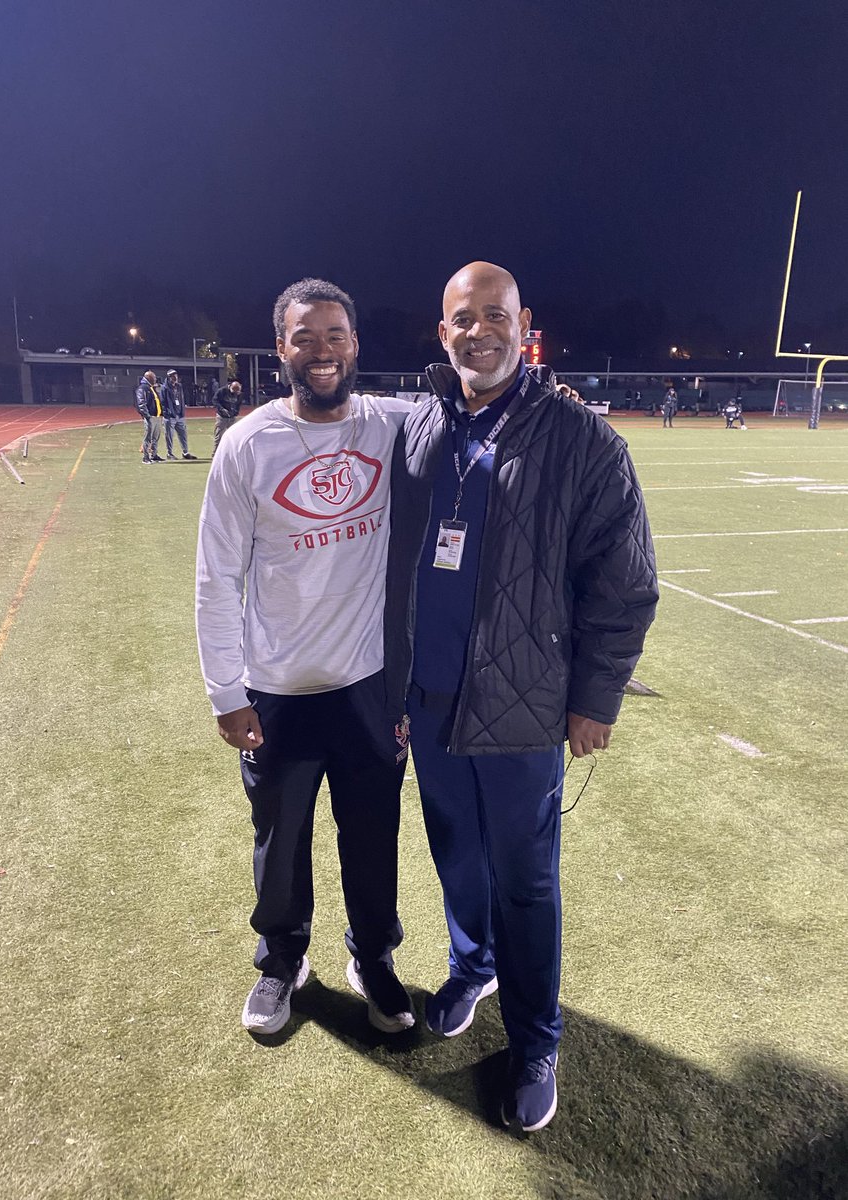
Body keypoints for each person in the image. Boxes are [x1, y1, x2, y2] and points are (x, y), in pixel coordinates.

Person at [383, 262, 658, 1132]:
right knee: (454, 855)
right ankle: (474, 963)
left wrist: (597, 699)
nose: (479, 331)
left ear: (523, 323)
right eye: (463, 317)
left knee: (528, 883)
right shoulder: (420, 423)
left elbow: (625, 585)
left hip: (523, 704)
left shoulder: (583, 440)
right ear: (443, 331)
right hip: (426, 701)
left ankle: (537, 1039)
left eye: (495, 315)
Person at [195, 277, 416, 1038]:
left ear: (355, 344)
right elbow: (216, 576)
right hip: (279, 690)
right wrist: (227, 690)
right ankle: (283, 961)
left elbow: (481, 421)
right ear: (281, 348)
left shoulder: (394, 426)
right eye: (304, 338)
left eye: (334, 336)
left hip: (368, 688)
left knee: (373, 837)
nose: (321, 352)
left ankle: (374, 958)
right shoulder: (248, 444)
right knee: (280, 841)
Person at [160, 370, 197, 460]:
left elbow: (181, 399)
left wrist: (182, 412)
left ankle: (185, 452)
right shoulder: (164, 388)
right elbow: (163, 402)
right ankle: (169, 453)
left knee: (183, 434)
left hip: (179, 415)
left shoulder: (179, 386)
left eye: (176, 375)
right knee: (169, 436)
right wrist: (167, 413)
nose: (175, 377)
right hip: (170, 416)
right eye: (173, 376)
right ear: (169, 377)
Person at [134, 370, 164, 464]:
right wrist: (147, 415)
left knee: (156, 437)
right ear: (149, 378)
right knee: (148, 437)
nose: (155, 379)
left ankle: (154, 455)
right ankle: (146, 457)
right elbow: (141, 403)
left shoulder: (151, 388)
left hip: (157, 416)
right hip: (150, 416)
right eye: (154, 377)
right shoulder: (143, 388)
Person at [212, 380, 244, 456]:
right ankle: (216, 453)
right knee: (219, 435)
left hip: (232, 417)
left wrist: (236, 412)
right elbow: (215, 401)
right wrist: (222, 409)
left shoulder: (239, 394)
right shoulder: (221, 391)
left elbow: (238, 404)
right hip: (222, 417)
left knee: (233, 436)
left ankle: (232, 452)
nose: (235, 394)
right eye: (234, 392)